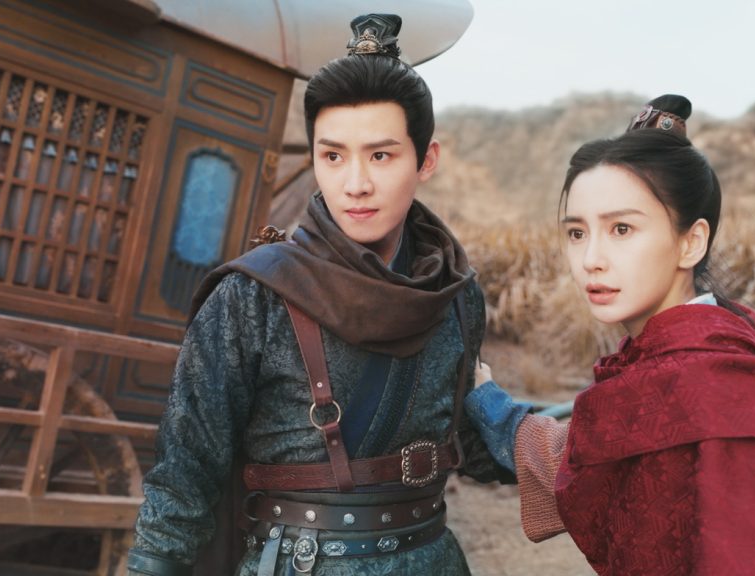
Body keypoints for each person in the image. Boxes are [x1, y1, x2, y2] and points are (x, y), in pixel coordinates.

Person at [126, 14, 512, 576]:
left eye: (381, 156)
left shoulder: (456, 295)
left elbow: (468, 443)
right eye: (333, 156)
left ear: (426, 160)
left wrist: (559, 431)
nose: (355, 184)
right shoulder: (251, 297)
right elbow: (186, 469)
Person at [466, 94, 755, 575]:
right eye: (576, 233)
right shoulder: (677, 363)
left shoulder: (715, 387)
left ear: (690, 242)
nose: (591, 259)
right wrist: (493, 407)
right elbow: (597, 449)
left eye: (621, 229)